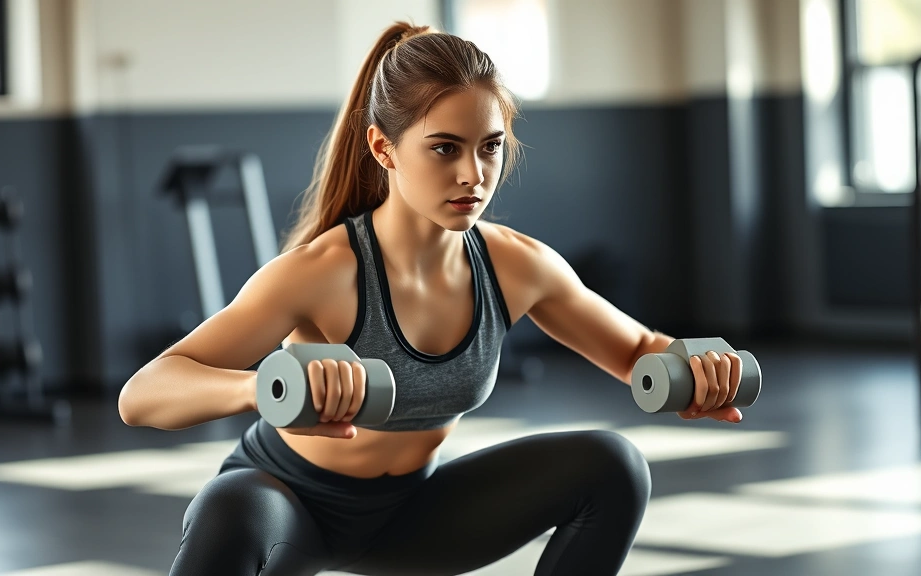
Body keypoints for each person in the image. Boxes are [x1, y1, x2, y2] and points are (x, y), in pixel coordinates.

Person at [119, 21, 744, 576]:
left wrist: (700, 369)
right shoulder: (321, 272)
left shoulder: (516, 266)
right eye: (445, 148)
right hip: (291, 510)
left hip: (414, 516)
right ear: (383, 148)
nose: (473, 173)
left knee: (613, 464)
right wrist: (256, 391)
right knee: (230, 508)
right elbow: (142, 395)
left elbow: (638, 349)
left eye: (490, 146)